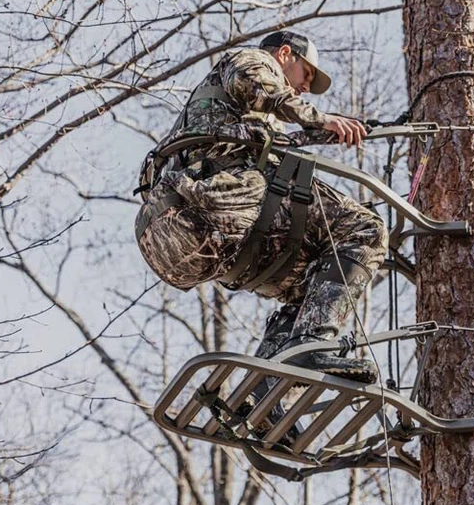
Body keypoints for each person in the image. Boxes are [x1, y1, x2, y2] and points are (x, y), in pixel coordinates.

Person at [134, 32, 388, 390]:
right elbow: (252, 81)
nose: (304, 88)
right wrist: (319, 118)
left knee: (312, 285)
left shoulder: (247, 119)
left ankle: (266, 384)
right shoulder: (251, 62)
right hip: (219, 201)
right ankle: (311, 342)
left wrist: (344, 129)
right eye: (306, 75)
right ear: (285, 54)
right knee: (366, 230)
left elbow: (274, 128)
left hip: (206, 234)